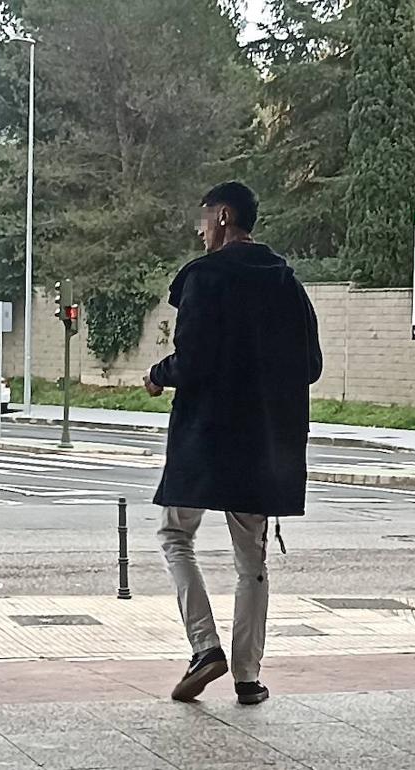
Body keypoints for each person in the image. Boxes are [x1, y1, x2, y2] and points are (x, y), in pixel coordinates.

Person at [145, 181, 322, 706]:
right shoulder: (287, 283)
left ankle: (205, 648)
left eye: (204, 218)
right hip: (263, 442)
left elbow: (193, 361)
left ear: (224, 216)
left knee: (175, 534)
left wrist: (157, 374)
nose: (199, 229)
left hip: (206, 438)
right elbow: (311, 366)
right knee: (252, 562)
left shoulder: (205, 277)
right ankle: (247, 677)